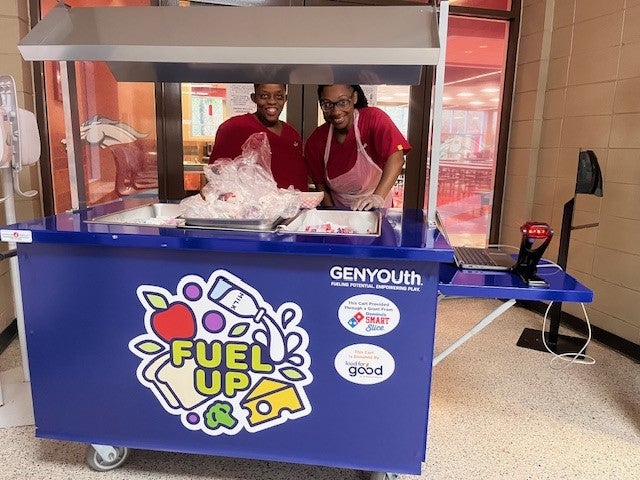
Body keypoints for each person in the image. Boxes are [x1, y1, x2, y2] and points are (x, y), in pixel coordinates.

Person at [304, 84, 411, 210]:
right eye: (328, 104)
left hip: (376, 208)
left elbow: (396, 158)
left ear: (354, 97)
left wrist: (377, 197)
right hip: (340, 212)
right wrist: (333, 216)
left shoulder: (373, 119)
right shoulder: (316, 140)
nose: (336, 111)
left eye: (343, 102)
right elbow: (321, 187)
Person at [208, 83, 308, 191]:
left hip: (293, 205)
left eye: (279, 97)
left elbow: (299, 177)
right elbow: (215, 174)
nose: (272, 101)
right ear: (254, 98)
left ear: (285, 99)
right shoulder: (234, 128)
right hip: (247, 205)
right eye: (264, 96)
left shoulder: (292, 134)